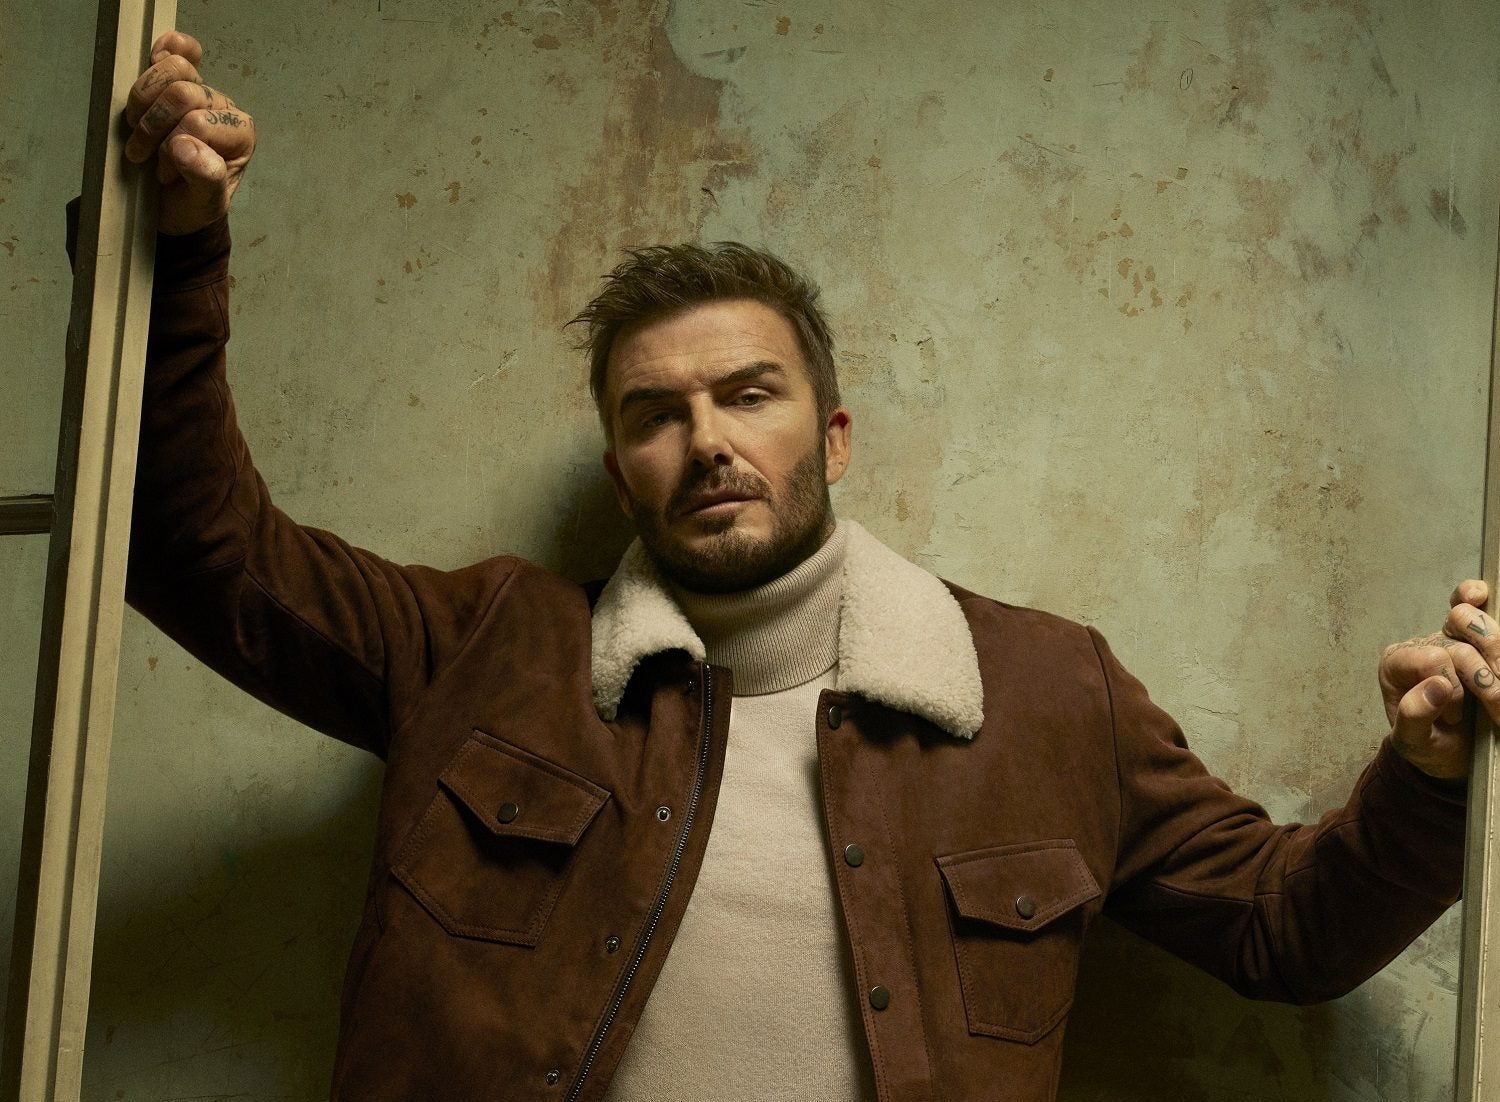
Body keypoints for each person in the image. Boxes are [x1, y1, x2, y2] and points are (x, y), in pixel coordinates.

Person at [112, 29, 1499, 1102]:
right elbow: (194, 548)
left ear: (833, 435)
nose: (708, 440)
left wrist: (1431, 778)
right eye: (656, 414)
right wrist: (174, 251)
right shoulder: (482, 646)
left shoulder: (1046, 693)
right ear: (621, 472)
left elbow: (1284, 928)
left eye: (749, 394)